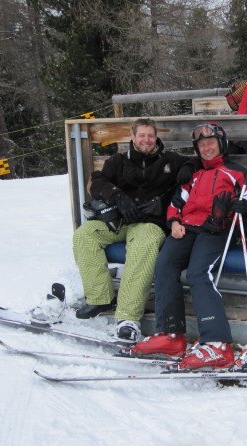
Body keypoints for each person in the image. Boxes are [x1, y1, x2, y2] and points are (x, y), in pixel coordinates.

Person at [129, 123, 247, 369]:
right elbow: (176, 203)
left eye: (210, 143)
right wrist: (173, 222)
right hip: (188, 228)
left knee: (198, 272)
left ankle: (217, 344)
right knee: (165, 263)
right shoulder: (192, 174)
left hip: (217, 229)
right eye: (201, 145)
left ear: (221, 144)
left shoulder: (237, 173)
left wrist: (246, 210)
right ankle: (170, 335)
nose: (206, 148)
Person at [72, 118, 200, 342]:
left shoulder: (169, 160)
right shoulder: (117, 161)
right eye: (141, 135)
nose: (146, 140)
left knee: (145, 243)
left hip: (149, 223)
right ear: (133, 138)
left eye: (150, 136)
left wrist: (187, 168)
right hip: (119, 221)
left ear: (156, 137)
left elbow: (196, 163)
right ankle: (100, 297)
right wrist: (117, 196)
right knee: (84, 235)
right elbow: (98, 181)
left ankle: (128, 316)